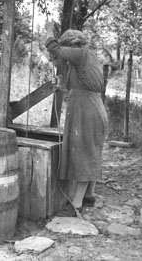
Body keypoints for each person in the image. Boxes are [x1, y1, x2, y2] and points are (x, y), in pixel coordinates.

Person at [45, 20, 108, 216]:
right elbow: (77, 84)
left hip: (85, 109)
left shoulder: (81, 53)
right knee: (91, 150)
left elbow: (54, 48)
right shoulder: (84, 60)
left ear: (73, 45)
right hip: (90, 106)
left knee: (82, 151)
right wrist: (61, 86)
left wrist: (49, 31)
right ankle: (89, 195)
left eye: (67, 47)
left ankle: (77, 202)